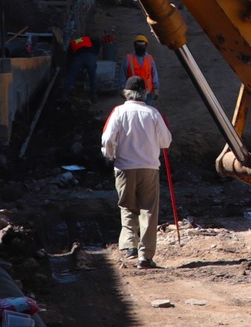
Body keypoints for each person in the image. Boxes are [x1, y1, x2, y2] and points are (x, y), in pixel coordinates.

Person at [100, 76, 173, 266]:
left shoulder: (118, 112)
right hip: (149, 167)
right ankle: (145, 256)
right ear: (145, 93)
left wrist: (110, 155)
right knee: (148, 210)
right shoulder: (153, 113)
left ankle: (129, 245)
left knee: (127, 206)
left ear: (126, 93)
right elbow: (166, 141)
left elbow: (107, 139)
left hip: (124, 167)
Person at [62, 31, 100, 97]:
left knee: (71, 76)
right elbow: (97, 42)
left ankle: (64, 95)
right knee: (92, 77)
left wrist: (68, 69)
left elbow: (69, 59)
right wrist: (95, 53)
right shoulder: (88, 39)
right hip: (90, 57)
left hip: (78, 57)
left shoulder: (72, 43)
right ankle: (93, 96)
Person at [123, 34, 160, 98]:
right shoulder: (128, 59)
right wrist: (122, 88)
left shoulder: (149, 59)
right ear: (134, 46)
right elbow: (123, 75)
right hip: (132, 94)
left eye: (142, 45)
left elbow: (154, 74)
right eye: (138, 45)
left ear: (146, 46)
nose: (140, 47)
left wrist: (156, 88)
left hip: (147, 93)